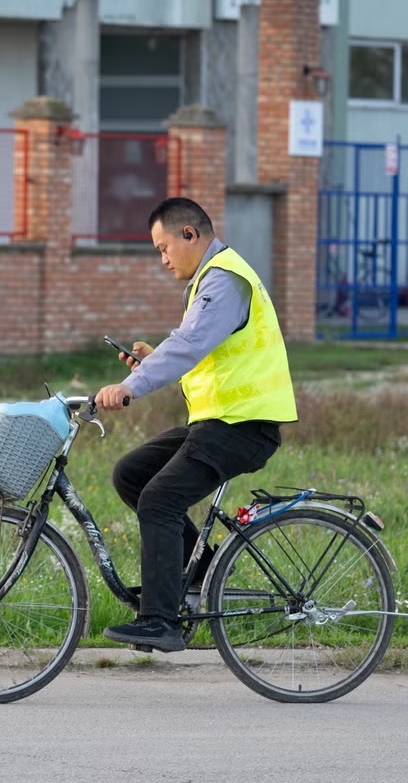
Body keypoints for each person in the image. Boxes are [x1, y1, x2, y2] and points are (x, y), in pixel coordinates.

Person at [95, 197, 297, 652]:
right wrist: (151, 362)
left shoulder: (224, 279)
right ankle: (199, 577)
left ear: (191, 234)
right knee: (131, 474)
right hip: (220, 422)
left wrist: (132, 384)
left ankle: (161, 621)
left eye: (164, 248)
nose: (163, 260)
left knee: (160, 500)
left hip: (244, 426)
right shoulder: (212, 279)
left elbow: (189, 343)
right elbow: (208, 356)